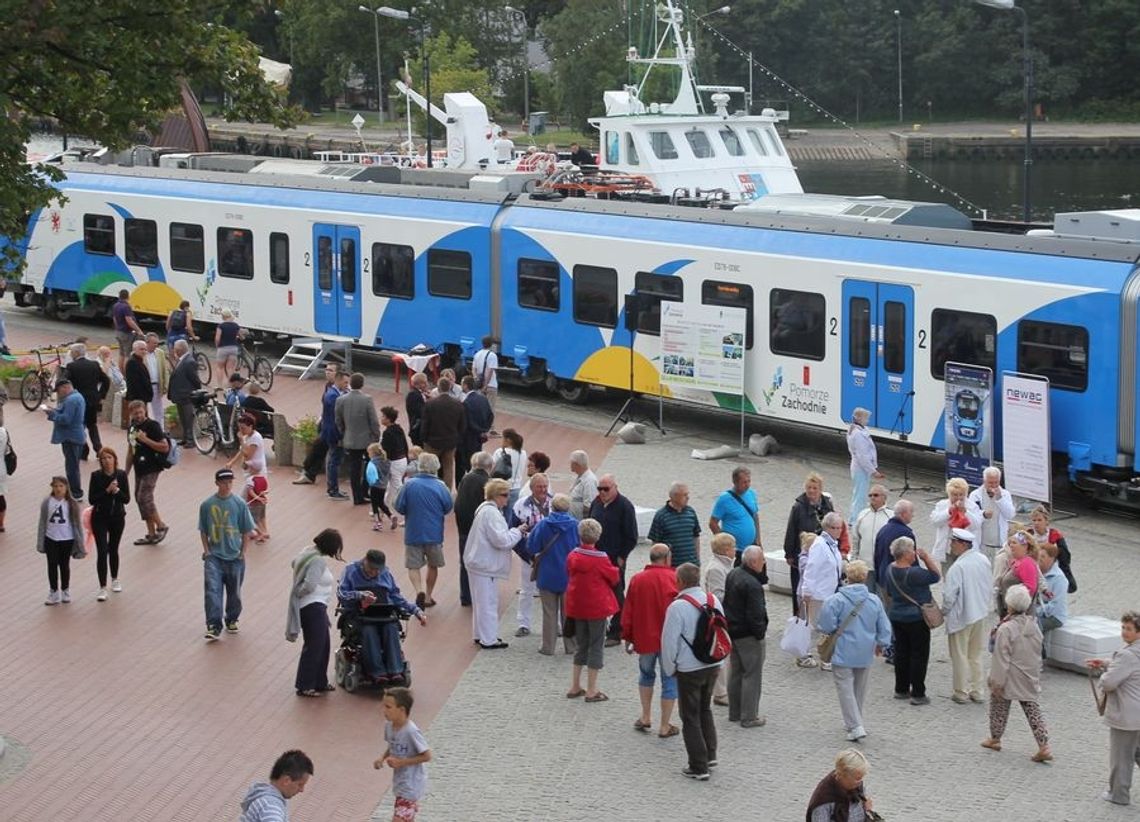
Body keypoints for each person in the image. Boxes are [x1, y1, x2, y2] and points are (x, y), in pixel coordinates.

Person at [661, 562, 725, 781]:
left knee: (689, 716)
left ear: (679, 581)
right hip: (712, 663)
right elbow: (722, 631)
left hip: (689, 668)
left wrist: (670, 668)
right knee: (705, 709)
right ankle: (711, 754)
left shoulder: (677, 607)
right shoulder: (712, 600)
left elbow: (669, 642)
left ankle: (698, 765)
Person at [816, 560, 891, 742]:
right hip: (865, 650)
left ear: (847, 577)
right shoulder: (874, 601)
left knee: (845, 689)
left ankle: (855, 725)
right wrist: (882, 643)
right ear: (865, 578)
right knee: (859, 688)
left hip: (843, 649)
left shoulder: (835, 600)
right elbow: (884, 626)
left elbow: (825, 625)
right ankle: (856, 719)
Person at [981, 584, 1053, 763]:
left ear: (1010, 605)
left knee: (998, 705)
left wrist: (996, 682)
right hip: (1029, 672)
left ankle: (995, 738)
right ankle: (1044, 745)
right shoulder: (1034, 625)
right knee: (1031, 708)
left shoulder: (1006, 628)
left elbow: (1001, 658)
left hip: (1010, 674)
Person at [337, 549, 427, 683]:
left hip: (384, 613)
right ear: (365, 562)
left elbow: (396, 597)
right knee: (369, 631)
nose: (376, 573)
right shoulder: (351, 571)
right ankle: (377, 672)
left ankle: (395, 670)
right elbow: (342, 594)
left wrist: (416, 611)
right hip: (359, 615)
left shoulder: (385, 572)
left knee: (391, 628)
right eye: (372, 569)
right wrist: (359, 595)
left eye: (379, 569)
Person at [622, 543, 680, 736]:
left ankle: (646, 716)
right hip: (668, 641)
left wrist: (628, 637)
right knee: (669, 680)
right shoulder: (675, 579)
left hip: (645, 638)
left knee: (646, 675)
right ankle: (665, 725)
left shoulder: (637, 580)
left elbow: (628, 610)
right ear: (667, 558)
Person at [463, 478, 528, 649]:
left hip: (478, 563)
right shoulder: (491, 513)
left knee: (480, 602)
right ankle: (489, 639)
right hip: (485, 565)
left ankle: (480, 634)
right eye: (505, 495)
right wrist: (517, 532)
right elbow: (502, 541)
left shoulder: (484, 510)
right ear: (495, 495)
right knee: (488, 603)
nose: (507, 499)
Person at [1086, 610, 1140, 806]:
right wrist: (1108, 663)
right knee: (1137, 752)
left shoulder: (1126, 655)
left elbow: (1109, 683)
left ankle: (1119, 794)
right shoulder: (1131, 653)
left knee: (1121, 757)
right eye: (1123, 627)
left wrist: (1103, 674)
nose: (1124, 632)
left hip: (1126, 715)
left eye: (1129, 629)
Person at [565, 517, 619, 702]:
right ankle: (591, 689)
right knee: (596, 645)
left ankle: (574, 685)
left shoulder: (573, 555)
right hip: (596, 606)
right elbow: (613, 577)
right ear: (597, 536)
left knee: (581, 644)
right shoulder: (601, 558)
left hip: (577, 605)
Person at [198, 468, 256, 641]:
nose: (227, 485)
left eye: (230, 482)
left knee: (234, 592)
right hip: (214, 556)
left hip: (234, 556)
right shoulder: (207, 505)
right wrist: (207, 551)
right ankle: (213, 624)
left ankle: (232, 618)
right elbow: (203, 529)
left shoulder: (239, 504)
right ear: (217, 483)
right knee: (212, 589)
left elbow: (246, 530)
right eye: (224, 482)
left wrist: (242, 552)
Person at [883, 536, 940, 705]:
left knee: (902, 652)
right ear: (906, 553)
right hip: (916, 618)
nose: (915, 552)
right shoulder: (914, 573)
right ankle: (918, 693)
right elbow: (936, 576)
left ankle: (901, 688)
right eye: (912, 550)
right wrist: (926, 558)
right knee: (919, 655)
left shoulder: (890, 569)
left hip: (897, 616)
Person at [286, 528, 343, 697]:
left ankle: (320, 681)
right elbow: (310, 585)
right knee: (315, 645)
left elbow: (293, 563)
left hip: (315, 607)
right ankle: (305, 684)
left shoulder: (307, 551)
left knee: (323, 644)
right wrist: (301, 592)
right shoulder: (318, 561)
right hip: (313, 606)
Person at [394, 452, 453, 610]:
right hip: (434, 533)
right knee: (433, 565)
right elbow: (448, 506)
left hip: (413, 531)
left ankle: (418, 590)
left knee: (413, 565)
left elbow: (398, 506)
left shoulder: (409, 485)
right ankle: (428, 595)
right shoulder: (441, 486)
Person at [941, 528, 992, 704]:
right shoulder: (983, 560)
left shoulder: (958, 567)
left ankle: (961, 691)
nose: (951, 546)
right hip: (980, 613)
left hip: (962, 616)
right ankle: (977, 690)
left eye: (953, 542)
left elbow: (949, 597)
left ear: (962, 544)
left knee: (959, 655)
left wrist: (943, 612)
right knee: (975, 655)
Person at [722, 545, 771, 729]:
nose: (764, 562)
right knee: (752, 674)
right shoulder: (752, 584)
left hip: (733, 631)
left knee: (736, 672)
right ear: (752, 562)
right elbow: (755, 614)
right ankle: (749, 716)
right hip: (749, 635)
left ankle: (735, 712)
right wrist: (760, 634)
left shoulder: (734, 573)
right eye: (761, 560)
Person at [588, 473, 639, 646]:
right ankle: (598, 628)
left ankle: (616, 632)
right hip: (596, 558)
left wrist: (621, 557)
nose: (602, 492)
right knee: (596, 593)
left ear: (615, 487)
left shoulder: (625, 506)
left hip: (614, 560)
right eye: (600, 489)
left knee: (617, 594)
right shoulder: (596, 503)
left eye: (606, 489)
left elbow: (632, 536)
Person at [529, 493, 579, 655]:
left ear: (553, 507)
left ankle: (548, 647)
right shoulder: (575, 525)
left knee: (549, 613)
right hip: (569, 575)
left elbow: (532, 546)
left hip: (547, 574)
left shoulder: (544, 525)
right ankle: (571, 646)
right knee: (569, 612)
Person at [374, 687, 432, 822]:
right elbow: (392, 745)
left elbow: (427, 755)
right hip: (400, 784)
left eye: (388, 707)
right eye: (384, 706)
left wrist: (401, 763)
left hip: (412, 785)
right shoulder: (389, 726)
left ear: (402, 710)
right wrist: (382, 758)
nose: (384, 711)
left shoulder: (411, 731)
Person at [783, 472, 835, 617]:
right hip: (803, 552)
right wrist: (789, 553)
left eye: (814, 488)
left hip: (822, 553)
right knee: (799, 588)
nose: (811, 491)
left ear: (820, 489)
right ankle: (799, 617)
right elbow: (791, 530)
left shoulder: (827, 504)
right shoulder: (798, 507)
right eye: (809, 487)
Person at [798, 511, 846, 670]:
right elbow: (811, 569)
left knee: (825, 628)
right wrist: (807, 592)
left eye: (841, 527)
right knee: (813, 627)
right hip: (818, 594)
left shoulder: (831, 544)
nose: (840, 531)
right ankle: (804, 655)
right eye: (836, 528)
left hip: (828, 593)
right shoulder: (820, 545)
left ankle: (825, 657)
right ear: (828, 528)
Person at [510, 470, 549, 637]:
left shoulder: (555, 503)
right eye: (539, 486)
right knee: (526, 590)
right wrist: (527, 555)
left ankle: (558, 624)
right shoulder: (520, 506)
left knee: (553, 590)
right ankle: (523, 623)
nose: (543, 490)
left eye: (545, 486)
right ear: (532, 488)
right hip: (529, 556)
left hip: (550, 556)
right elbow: (513, 532)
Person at [125, 399, 170, 545]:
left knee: (144, 497)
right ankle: (151, 534)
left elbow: (164, 447)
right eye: (135, 413)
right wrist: (125, 472)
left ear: (145, 411)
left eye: (140, 412)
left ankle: (161, 525)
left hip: (152, 467)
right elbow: (131, 450)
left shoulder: (153, 426)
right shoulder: (132, 427)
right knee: (139, 498)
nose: (138, 415)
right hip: (139, 467)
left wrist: (146, 440)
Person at [88, 447, 130, 601]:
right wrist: (106, 491)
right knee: (102, 550)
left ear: (114, 459)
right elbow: (92, 499)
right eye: (103, 458)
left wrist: (117, 491)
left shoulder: (121, 475)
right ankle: (102, 587)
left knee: (113, 548)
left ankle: (115, 578)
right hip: (100, 518)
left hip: (117, 517)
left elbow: (126, 499)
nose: (106, 461)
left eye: (109, 458)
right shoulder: (96, 476)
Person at [37, 476, 86, 605]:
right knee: (52, 564)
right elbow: (42, 521)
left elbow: (77, 524)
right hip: (51, 538)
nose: (58, 489)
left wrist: (80, 542)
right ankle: (53, 591)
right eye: (56, 486)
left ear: (66, 488)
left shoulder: (71, 503)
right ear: (52, 487)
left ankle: (65, 589)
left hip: (67, 538)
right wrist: (40, 541)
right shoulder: (47, 502)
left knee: (64, 565)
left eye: (61, 486)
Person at [336, 372, 381, 506]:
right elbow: (373, 420)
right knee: (369, 466)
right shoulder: (367, 399)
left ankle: (357, 496)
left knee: (354, 469)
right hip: (366, 440)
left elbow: (338, 419)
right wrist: (376, 436)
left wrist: (344, 432)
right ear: (362, 384)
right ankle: (364, 491)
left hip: (350, 439)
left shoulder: (341, 400)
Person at [702, 533, 736, 705]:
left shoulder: (724, 565)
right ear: (725, 550)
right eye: (733, 546)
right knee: (722, 653)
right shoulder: (716, 568)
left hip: (725, 615)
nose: (735, 550)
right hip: (720, 617)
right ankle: (720, 692)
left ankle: (723, 689)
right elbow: (717, 596)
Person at [454, 452, 492, 607]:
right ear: (489, 466)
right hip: (477, 529)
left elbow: (459, 504)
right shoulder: (487, 483)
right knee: (482, 563)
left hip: (463, 527)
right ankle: (480, 594)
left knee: (465, 562)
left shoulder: (465, 479)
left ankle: (465, 595)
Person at [293, 364, 340, 485]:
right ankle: (310, 473)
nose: (327, 372)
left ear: (337, 373)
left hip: (332, 425)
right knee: (319, 447)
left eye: (331, 370)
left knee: (318, 446)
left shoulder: (339, 389)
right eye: (326, 370)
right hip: (325, 421)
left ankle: (308, 470)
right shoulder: (328, 386)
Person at [239, 749, 313, 822]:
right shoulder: (271, 807)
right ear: (286, 781)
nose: (301, 790)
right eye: (300, 784)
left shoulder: (265, 797)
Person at [708, 466, 762, 565]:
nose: (747, 485)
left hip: (752, 546)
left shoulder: (751, 493)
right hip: (735, 550)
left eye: (749, 481)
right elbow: (713, 523)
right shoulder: (724, 499)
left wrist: (758, 539)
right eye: (744, 482)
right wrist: (724, 543)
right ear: (735, 482)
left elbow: (755, 515)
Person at [420, 376, 466, 491]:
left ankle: (429, 490)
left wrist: (424, 438)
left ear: (438, 388)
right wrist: (457, 438)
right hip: (450, 442)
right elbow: (463, 425)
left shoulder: (430, 404)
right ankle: (446, 492)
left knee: (430, 467)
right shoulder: (458, 404)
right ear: (449, 387)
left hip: (432, 442)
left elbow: (425, 424)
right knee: (448, 467)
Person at [805, 748, 876, 822]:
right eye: (857, 778)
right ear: (842, 775)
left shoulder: (855, 786)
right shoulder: (823, 800)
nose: (860, 782)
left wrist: (866, 810)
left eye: (861, 778)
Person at [65, 342, 109, 459]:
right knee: (92, 425)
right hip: (93, 400)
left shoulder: (71, 366)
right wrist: (101, 395)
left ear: (75, 353)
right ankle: (98, 448)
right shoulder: (94, 364)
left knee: (79, 425)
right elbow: (106, 380)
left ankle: (84, 450)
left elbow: (63, 381)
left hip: (78, 401)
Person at [46, 378, 86, 500]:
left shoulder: (71, 400)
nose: (58, 394)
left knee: (72, 467)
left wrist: (52, 415)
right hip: (76, 435)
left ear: (65, 387)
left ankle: (76, 492)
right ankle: (75, 491)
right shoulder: (77, 397)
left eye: (58, 391)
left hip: (71, 437)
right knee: (73, 465)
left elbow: (66, 419)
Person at [930, 477, 982, 570]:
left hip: (965, 549)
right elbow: (935, 522)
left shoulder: (972, 506)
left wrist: (966, 512)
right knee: (948, 576)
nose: (958, 498)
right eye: (954, 495)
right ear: (949, 494)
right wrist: (948, 512)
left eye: (961, 495)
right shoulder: (942, 505)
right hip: (948, 548)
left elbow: (976, 526)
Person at [968, 466, 1016, 563]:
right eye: (990, 483)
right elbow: (970, 518)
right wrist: (983, 515)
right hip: (982, 544)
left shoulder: (1005, 494)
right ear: (984, 481)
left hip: (999, 544)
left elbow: (1010, 515)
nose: (993, 486)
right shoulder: (975, 495)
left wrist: (1000, 499)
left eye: (996, 482)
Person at [648, 481, 702, 567]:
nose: (688, 498)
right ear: (674, 496)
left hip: (691, 566)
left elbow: (696, 537)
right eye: (684, 495)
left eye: (687, 494)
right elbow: (655, 544)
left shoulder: (691, 512)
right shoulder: (661, 516)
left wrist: (697, 560)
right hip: (672, 567)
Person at [846, 408, 884, 525]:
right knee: (860, 496)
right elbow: (863, 456)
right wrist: (873, 471)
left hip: (860, 468)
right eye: (866, 418)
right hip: (860, 469)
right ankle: (856, 520)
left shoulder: (858, 430)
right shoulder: (857, 434)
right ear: (859, 418)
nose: (867, 421)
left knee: (858, 494)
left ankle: (854, 517)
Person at [1028, 505, 1076, 593]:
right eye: (1034, 520)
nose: (1036, 523)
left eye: (1039, 520)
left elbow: (1064, 555)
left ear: (1046, 522)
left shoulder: (1055, 534)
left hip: (1050, 569)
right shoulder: (1028, 534)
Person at [166, 338, 202, 448]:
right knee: (183, 419)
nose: (174, 351)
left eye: (175, 349)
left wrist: (193, 391)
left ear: (181, 349)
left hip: (186, 396)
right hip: (180, 396)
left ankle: (191, 440)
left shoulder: (189, 362)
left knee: (188, 419)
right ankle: (185, 438)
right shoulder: (182, 359)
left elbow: (195, 380)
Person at [458, 374, 493, 484]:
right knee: (477, 461)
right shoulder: (483, 398)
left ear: (466, 385)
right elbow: (490, 415)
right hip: (479, 438)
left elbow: (467, 422)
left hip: (468, 438)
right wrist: (484, 430)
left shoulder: (466, 402)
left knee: (466, 463)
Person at [321, 370, 349, 500]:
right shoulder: (333, 396)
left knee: (333, 459)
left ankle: (333, 488)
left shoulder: (333, 394)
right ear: (338, 380)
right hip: (334, 433)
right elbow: (336, 418)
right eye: (345, 382)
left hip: (331, 431)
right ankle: (333, 489)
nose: (347, 385)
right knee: (334, 461)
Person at [380, 406, 410, 524]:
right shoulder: (399, 429)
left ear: (388, 419)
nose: (381, 418)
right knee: (391, 487)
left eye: (383, 416)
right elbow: (405, 444)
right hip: (402, 460)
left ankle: (408, 514)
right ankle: (382, 509)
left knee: (398, 488)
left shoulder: (387, 433)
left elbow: (386, 450)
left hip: (394, 462)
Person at [851, 484, 892, 563]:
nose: (872, 497)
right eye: (870, 495)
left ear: (884, 498)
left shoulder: (891, 516)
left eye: (876, 495)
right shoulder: (862, 514)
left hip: (883, 564)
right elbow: (856, 538)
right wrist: (854, 559)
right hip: (864, 564)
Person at [1037, 542, 1069, 643]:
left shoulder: (1059, 579)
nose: (1039, 559)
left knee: (1032, 627)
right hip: (1039, 610)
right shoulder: (1037, 572)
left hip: (1054, 617)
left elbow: (1056, 606)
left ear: (1052, 559)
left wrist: (1036, 611)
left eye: (1043, 556)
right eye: (1038, 555)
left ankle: (1040, 652)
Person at [491, 427, 527, 511]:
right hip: (516, 489)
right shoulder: (523, 453)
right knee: (509, 517)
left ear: (508, 440)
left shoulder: (499, 452)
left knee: (498, 513)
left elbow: (492, 468)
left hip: (501, 487)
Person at [366, 443, 396, 531]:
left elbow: (370, 475)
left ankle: (377, 522)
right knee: (381, 503)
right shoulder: (387, 462)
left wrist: (370, 484)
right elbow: (390, 474)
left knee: (374, 504)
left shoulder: (372, 463)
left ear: (373, 453)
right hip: (383, 486)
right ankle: (391, 515)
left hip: (375, 486)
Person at [111, 289, 142, 372]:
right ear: (128, 296)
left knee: (121, 353)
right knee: (128, 355)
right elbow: (129, 320)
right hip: (126, 333)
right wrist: (138, 330)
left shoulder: (116, 305)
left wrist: (117, 328)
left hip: (119, 332)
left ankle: (121, 371)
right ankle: (126, 373)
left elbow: (114, 318)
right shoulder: (126, 306)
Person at [143, 332, 169, 424]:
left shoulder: (160, 353)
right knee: (143, 409)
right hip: (145, 386)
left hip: (156, 385)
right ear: (147, 342)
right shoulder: (141, 353)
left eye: (157, 343)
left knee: (158, 410)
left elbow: (164, 370)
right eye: (154, 343)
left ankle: (160, 429)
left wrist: (165, 384)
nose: (156, 345)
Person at [472, 335, 500, 414]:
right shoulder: (492, 355)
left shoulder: (477, 354)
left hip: (479, 386)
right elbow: (490, 371)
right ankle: (490, 426)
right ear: (491, 344)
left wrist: (477, 380)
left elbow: (473, 369)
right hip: (490, 385)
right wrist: (485, 385)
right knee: (490, 409)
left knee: (481, 409)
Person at [214, 308, 242, 389]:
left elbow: (217, 338)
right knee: (230, 368)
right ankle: (230, 385)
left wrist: (217, 346)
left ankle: (220, 386)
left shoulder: (221, 326)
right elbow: (240, 336)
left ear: (223, 316)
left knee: (220, 367)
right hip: (233, 348)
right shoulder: (236, 325)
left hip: (223, 348)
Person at [567, 450, 598, 519]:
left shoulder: (589, 481)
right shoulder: (580, 477)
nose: (570, 465)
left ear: (576, 464)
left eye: (571, 463)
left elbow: (589, 506)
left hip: (580, 523)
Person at [124, 339, 153, 406]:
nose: (144, 351)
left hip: (142, 397)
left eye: (145, 349)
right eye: (141, 349)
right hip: (138, 398)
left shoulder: (139, 360)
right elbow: (135, 383)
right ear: (134, 349)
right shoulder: (132, 362)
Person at [405, 372, 430, 447]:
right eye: (425, 382)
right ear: (418, 384)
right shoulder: (413, 395)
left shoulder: (419, 393)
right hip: (418, 431)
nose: (427, 384)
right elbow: (421, 412)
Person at [0, 421, 9, 531]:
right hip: (1, 468)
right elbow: (7, 450)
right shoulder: (3, 432)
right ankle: (1, 523)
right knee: (0, 496)